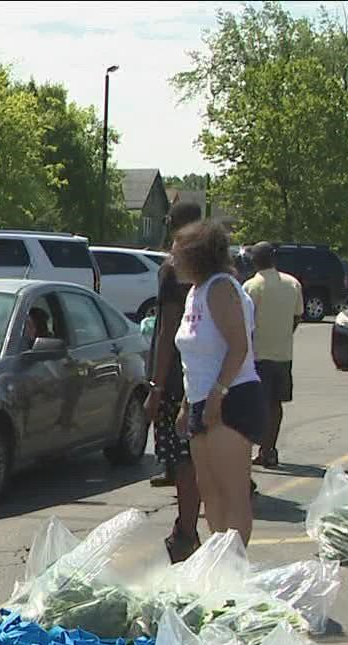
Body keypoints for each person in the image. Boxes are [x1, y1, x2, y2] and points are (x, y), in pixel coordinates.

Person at [169, 220, 266, 544]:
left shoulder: (222, 287)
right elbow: (194, 357)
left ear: (197, 255)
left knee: (232, 490)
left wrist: (216, 395)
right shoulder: (195, 292)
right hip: (200, 399)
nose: (172, 260)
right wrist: (186, 405)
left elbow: (238, 346)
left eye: (177, 253)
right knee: (209, 492)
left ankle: (235, 567)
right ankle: (218, 560)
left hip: (231, 398)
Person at [144, 201, 206, 562]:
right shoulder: (219, 269)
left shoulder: (174, 269)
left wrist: (156, 385)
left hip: (177, 377)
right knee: (198, 456)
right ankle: (190, 528)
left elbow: (168, 328)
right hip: (207, 373)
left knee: (183, 458)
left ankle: (186, 531)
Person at [241, 241, 302, 469]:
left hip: (257, 355)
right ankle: (270, 449)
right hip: (283, 354)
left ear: (254, 261)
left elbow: (245, 322)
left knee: (257, 405)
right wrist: (284, 333)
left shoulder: (251, 287)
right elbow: (298, 316)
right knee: (275, 404)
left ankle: (260, 450)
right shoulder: (293, 284)